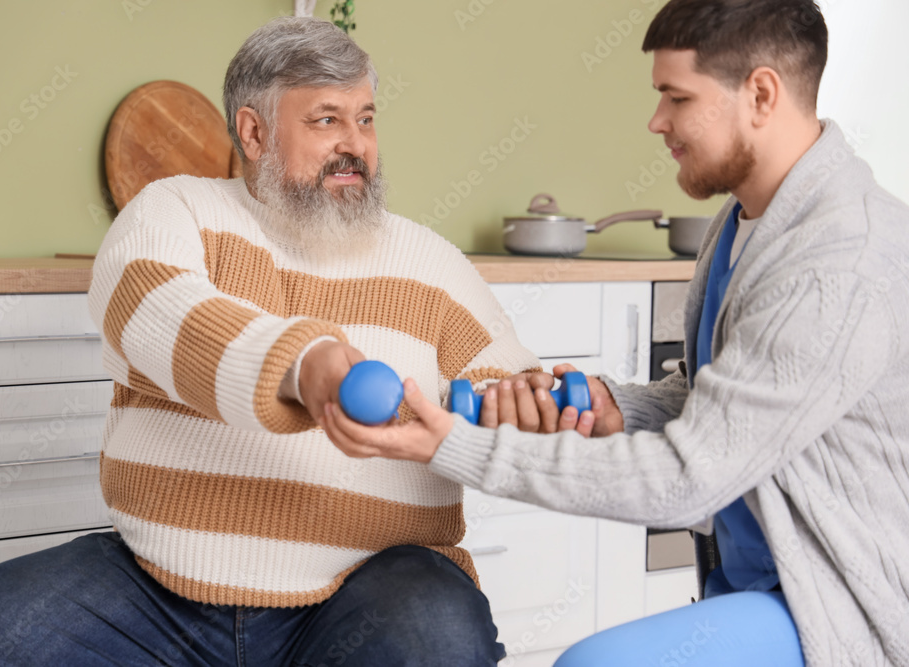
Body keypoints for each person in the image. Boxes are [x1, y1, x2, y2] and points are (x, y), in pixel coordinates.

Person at [0, 17, 543, 666]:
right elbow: (156, 306)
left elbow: (503, 388)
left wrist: (531, 405)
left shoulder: (433, 261)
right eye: (326, 120)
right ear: (253, 132)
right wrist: (303, 362)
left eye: (365, 119)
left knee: (437, 634)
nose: (355, 144)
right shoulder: (176, 211)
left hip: (366, 590)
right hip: (162, 596)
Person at [322, 1, 909, 665]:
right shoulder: (745, 221)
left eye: (676, 97)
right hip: (762, 586)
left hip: (839, 611)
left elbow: (688, 478)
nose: (657, 121)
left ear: (762, 93)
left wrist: (453, 445)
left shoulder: (838, 260)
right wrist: (612, 406)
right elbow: (729, 401)